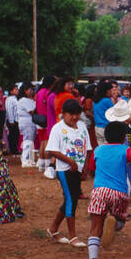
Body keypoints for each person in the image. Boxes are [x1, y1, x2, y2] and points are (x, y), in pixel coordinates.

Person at [85, 116, 131, 259]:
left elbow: (92, 168)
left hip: (99, 191)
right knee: (121, 220)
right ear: (124, 137)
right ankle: (115, 223)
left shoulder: (98, 150)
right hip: (118, 193)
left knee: (95, 227)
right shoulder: (125, 150)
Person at [45, 99, 89, 246]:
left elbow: (87, 148)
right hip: (64, 170)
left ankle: (53, 229)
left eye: (77, 114)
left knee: (71, 199)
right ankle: (73, 236)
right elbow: (52, 150)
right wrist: (70, 161)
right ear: (63, 114)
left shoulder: (82, 126)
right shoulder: (57, 128)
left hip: (79, 169)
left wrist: (85, 168)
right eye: (71, 114)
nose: (74, 117)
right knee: (71, 200)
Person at [5, 83, 21, 154]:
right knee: (13, 135)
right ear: (11, 91)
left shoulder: (15, 99)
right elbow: (9, 110)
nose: (17, 91)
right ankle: (13, 150)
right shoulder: (10, 99)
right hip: (12, 121)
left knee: (16, 135)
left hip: (16, 120)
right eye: (16, 90)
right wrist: (11, 120)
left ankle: (15, 149)